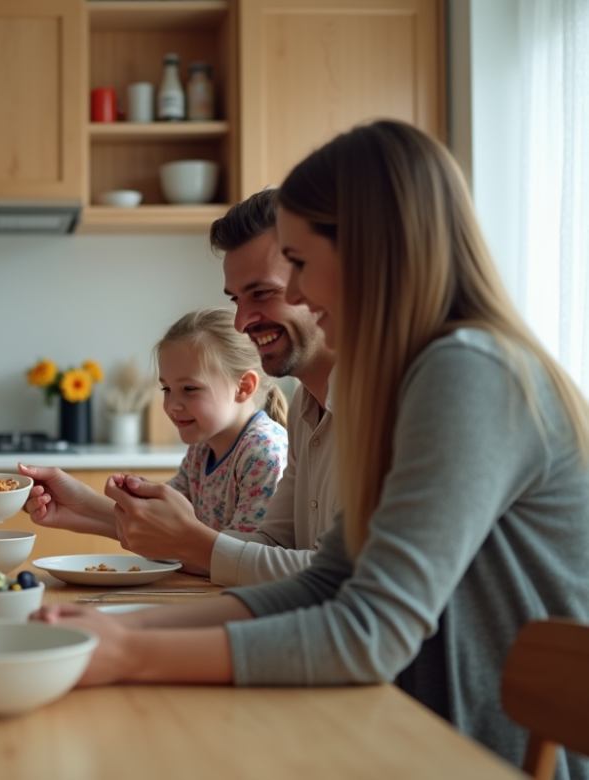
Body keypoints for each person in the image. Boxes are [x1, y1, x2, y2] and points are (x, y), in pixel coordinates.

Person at [33, 120, 589, 779]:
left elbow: (369, 631)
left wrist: (128, 654)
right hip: (408, 730)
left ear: (368, 248)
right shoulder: (409, 379)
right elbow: (328, 581)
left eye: (296, 264)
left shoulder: (466, 371)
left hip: (472, 754)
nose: (294, 293)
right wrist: (127, 632)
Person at [26, 190, 337, 585]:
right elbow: (263, 550)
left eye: (261, 293)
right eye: (236, 299)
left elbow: (325, 575)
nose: (240, 321)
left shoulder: (380, 412)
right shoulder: (305, 412)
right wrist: (82, 507)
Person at [22, 308, 289, 567]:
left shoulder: (263, 452)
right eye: (166, 389)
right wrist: (73, 507)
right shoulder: (201, 450)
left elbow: (242, 561)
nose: (172, 404)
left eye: (189, 389)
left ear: (243, 387)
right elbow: (159, 532)